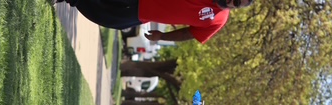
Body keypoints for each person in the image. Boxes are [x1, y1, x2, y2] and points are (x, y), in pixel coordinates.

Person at [53, 0, 254, 44]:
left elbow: (189, 33)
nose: (230, 0)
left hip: (141, 15)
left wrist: (162, 36)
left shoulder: (219, 20)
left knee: (104, 17)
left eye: (236, 3)